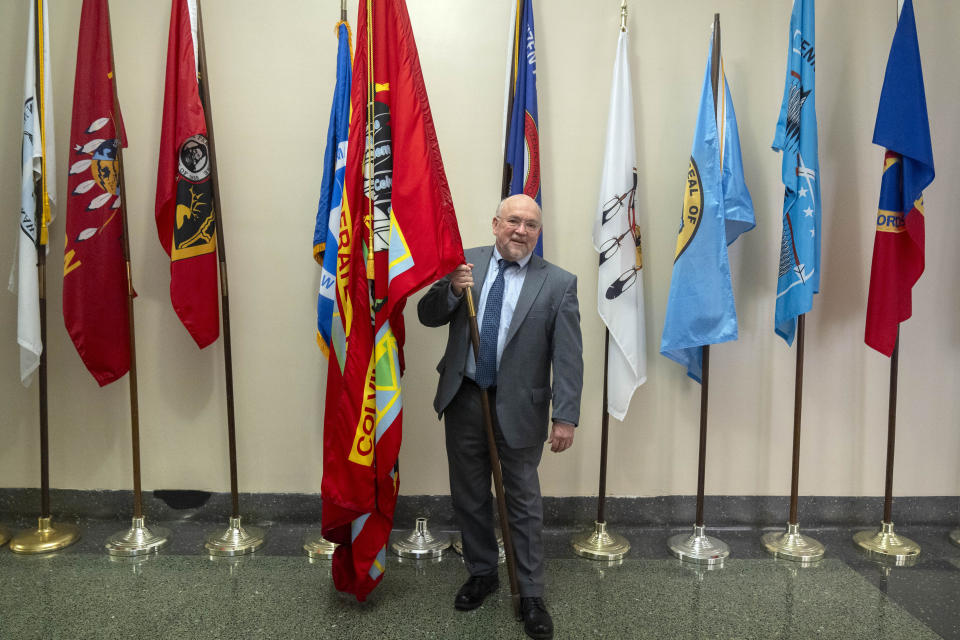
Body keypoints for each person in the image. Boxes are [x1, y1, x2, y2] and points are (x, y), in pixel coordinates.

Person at [417, 194, 583, 640]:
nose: (521, 230)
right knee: (469, 495)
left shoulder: (559, 283)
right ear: (495, 224)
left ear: (538, 233)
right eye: (513, 221)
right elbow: (426, 315)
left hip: (521, 407)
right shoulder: (463, 264)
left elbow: (569, 358)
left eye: (531, 225)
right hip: (465, 397)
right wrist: (452, 290)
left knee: (522, 502)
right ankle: (483, 572)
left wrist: (565, 416)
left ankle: (530, 592)